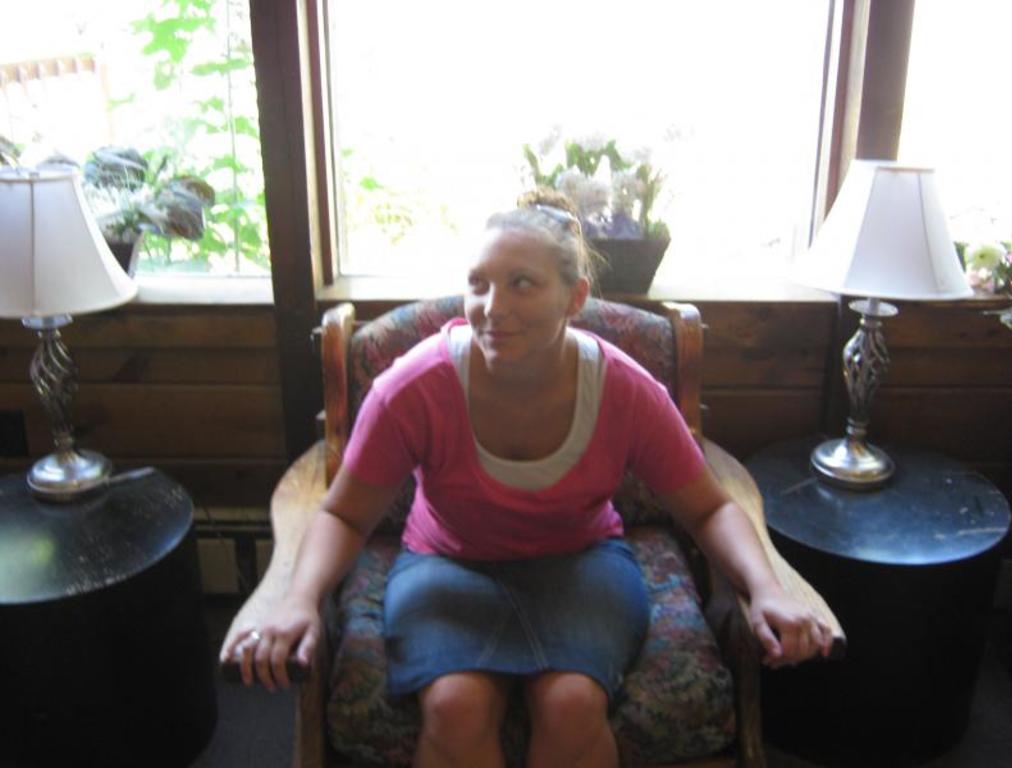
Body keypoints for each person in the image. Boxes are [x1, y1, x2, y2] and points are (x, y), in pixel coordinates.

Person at [221, 191, 833, 768]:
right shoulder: (414, 386)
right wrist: (297, 599)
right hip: (445, 564)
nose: (493, 307)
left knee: (572, 706)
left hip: (582, 564)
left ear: (574, 297)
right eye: (478, 284)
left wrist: (768, 588)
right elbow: (343, 513)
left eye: (522, 284)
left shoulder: (623, 388)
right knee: (454, 708)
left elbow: (709, 508)